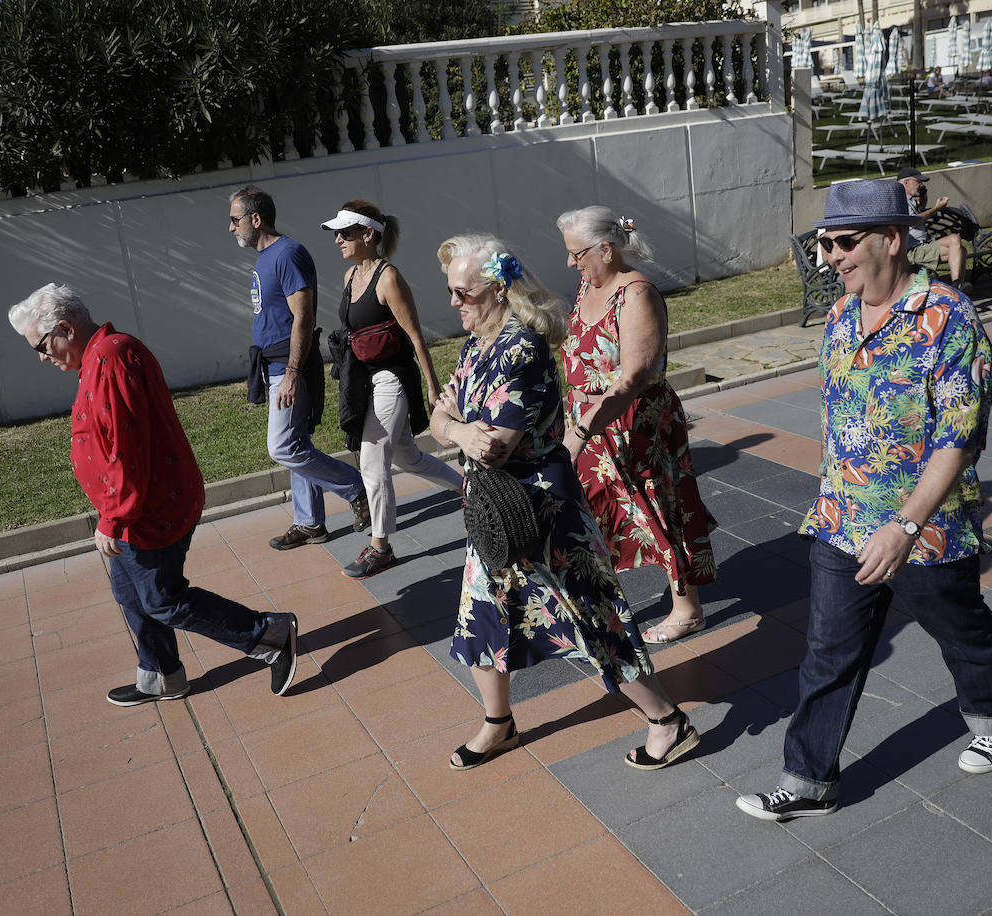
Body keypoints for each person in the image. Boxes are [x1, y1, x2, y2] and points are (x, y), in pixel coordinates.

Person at [735, 180, 992, 822]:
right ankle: (809, 780)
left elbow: (959, 438)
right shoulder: (840, 315)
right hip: (842, 522)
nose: (827, 256)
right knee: (828, 652)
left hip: (925, 529)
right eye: (821, 244)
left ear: (891, 239)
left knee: (963, 631)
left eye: (841, 242)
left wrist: (903, 525)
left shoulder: (949, 319)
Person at [429, 234, 699, 772]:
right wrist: (460, 432)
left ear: (497, 289)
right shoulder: (475, 348)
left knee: (592, 618)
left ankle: (668, 720)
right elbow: (439, 422)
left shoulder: (521, 350)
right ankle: (498, 722)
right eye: (451, 292)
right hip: (495, 514)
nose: (453, 302)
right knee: (480, 614)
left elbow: (498, 448)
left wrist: (457, 428)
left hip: (543, 514)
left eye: (463, 292)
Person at [7, 284, 300, 704]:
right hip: (137, 507)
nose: (41, 356)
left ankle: (269, 634)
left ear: (65, 329)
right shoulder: (99, 357)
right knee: (130, 593)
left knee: (163, 600)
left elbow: (127, 449)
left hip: (148, 509)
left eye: (40, 345)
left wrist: (112, 518)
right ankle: (161, 676)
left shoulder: (110, 356)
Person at [555, 207, 717, 645]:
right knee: (590, 513)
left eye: (577, 253)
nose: (571, 262)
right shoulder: (588, 284)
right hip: (590, 425)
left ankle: (688, 608)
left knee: (661, 508)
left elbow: (634, 376)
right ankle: (596, 603)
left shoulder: (637, 294)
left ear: (606, 249)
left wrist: (582, 429)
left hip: (635, 426)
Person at [320, 200, 464, 579]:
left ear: (369, 234)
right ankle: (471, 489)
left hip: (391, 378)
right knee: (407, 458)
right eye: (336, 233)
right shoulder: (351, 277)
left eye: (345, 232)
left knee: (372, 456)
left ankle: (380, 546)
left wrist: (434, 390)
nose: (338, 239)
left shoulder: (388, 278)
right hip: (364, 380)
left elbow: (416, 337)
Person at [229, 185, 371, 551]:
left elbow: (303, 317)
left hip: (289, 366)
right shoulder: (266, 257)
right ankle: (310, 523)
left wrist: (292, 373)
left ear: (255, 219)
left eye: (235, 219)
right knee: (296, 443)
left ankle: (355, 487)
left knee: (282, 447)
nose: (231, 228)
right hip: (273, 364)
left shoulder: (288, 253)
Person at [897, 166, 970, 293]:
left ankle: (958, 290)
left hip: (922, 246)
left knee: (961, 250)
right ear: (906, 182)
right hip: (912, 251)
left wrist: (923, 196)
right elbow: (914, 220)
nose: (920, 185)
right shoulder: (900, 199)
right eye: (918, 182)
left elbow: (919, 212)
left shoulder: (909, 199)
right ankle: (957, 288)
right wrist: (937, 208)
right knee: (954, 239)